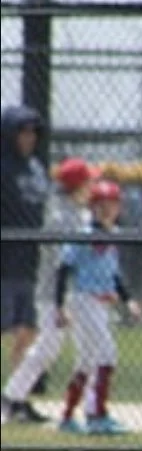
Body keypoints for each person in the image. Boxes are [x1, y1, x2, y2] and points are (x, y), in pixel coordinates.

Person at [1, 156, 99, 425]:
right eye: (88, 180)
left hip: (80, 292)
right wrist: (59, 304)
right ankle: (12, 397)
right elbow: (60, 264)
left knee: (88, 348)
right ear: (77, 185)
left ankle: (90, 407)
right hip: (54, 293)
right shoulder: (59, 217)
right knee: (47, 348)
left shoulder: (82, 213)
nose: (93, 185)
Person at [55, 180, 142, 435]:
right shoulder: (84, 235)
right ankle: (97, 415)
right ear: (92, 207)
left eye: (112, 205)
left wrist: (128, 299)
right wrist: (59, 305)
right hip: (84, 300)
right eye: (101, 205)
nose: (107, 210)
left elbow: (114, 273)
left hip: (102, 303)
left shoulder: (113, 233)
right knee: (106, 355)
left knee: (86, 361)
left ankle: (68, 415)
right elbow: (63, 269)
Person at [0, 105, 51, 422]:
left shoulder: (34, 167)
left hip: (28, 261)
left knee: (27, 331)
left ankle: (16, 397)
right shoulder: (3, 167)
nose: (29, 137)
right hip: (3, 262)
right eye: (22, 131)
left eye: (33, 131)